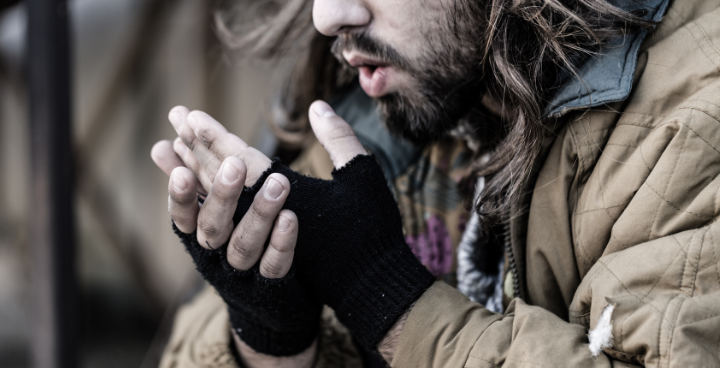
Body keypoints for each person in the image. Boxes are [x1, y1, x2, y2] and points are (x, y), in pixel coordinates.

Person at [151, 0, 720, 367]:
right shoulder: (397, 90)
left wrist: (388, 300)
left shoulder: (695, 115)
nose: (326, 15)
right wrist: (270, 344)